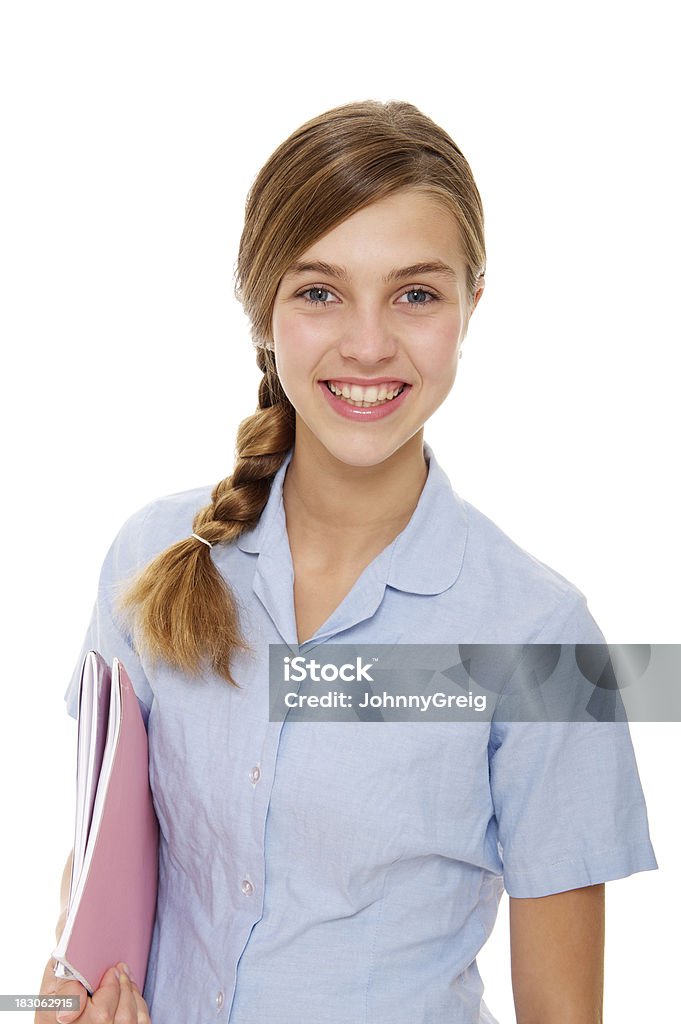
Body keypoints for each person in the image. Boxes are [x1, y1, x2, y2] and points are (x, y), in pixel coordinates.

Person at [37, 99, 658, 1024]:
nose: (368, 344)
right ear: (263, 307)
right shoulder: (151, 557)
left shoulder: (539, 635)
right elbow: (103, 864)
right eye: (319, 291)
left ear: (470, 304)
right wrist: (74, 998)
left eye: (415, 293)